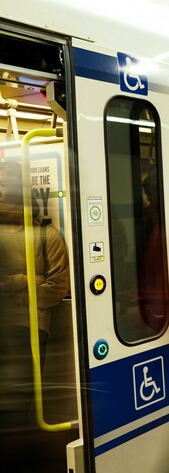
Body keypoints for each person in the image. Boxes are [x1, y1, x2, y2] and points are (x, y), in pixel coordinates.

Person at [0, 160, 69, 464]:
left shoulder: (47, 234)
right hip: (12, 325)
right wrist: (25, 281)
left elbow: (58, 287)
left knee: (23, 403)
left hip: (32, 328)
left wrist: (12, 295)